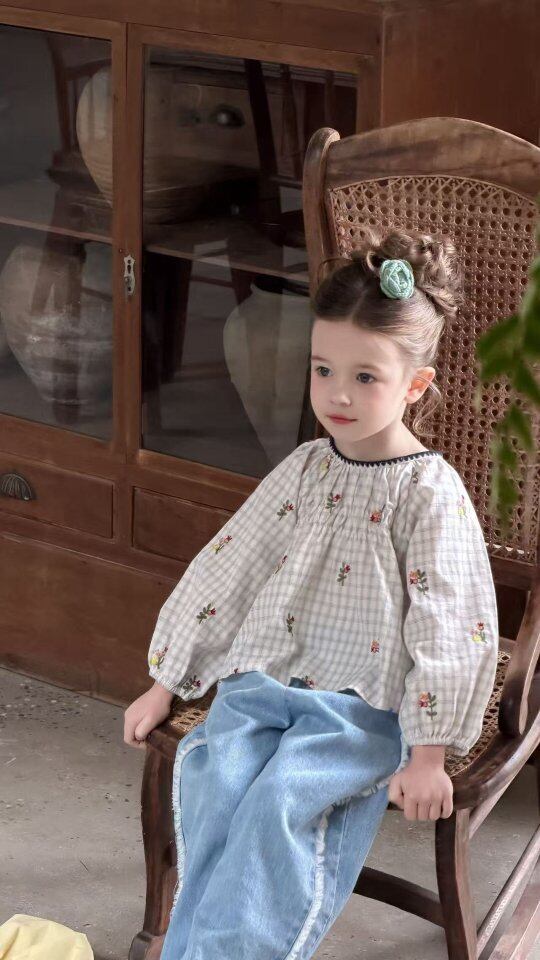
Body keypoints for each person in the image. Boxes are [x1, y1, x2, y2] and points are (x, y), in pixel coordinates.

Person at [124, 227, 499, 960]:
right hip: (263, 681)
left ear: (415, 384)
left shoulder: (427, 492)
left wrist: (428, 753)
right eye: (323, 369)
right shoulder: (305, 467)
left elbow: (450, 624)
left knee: (280, 806)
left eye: (366, 377)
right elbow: (231, 566)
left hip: (358, 704)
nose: (337, 394)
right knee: (217, 787)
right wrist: (168, 679)